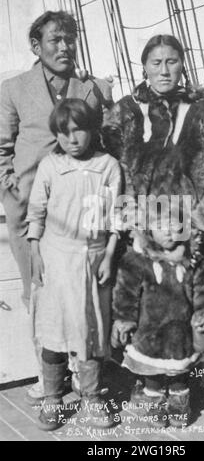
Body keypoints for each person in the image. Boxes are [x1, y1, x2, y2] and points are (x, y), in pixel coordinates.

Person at [103, 34, 204, 425]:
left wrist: (203, 224)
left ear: (182, 64)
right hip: (140, 233)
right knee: (144, 310)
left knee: (192, 308)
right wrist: (124, 223)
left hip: (191, 232)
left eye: (172, 62)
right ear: (143, 66)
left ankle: (185, 384)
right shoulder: (123, 112)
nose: (164, 70)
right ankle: (147, 383)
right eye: (156, 62)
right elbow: (108, 170)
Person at [0, 10, 113, 403]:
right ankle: (51, 380)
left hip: (81, 215)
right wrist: (11, 190)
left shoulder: (92, 88)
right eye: (55, 40)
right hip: (31, 213)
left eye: (70, 39)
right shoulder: (13, 89)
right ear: (36, 46)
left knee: (82, 293)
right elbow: (1, 148)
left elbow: (110, 145)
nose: (65, 47)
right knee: (39, 293)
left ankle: (86, 378)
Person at [26, 98, 122, 431]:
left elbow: (117, 218)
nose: (72, 139)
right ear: (57, 135)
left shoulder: (108, 166)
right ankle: (52, 398)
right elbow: (35, 214)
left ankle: (92, 399)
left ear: (93, 129)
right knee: (54, 333)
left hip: (94, 261)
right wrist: (35, 253)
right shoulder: (50, 166)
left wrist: (109, 255)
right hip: (55, 259)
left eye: (79, 130)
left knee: (90, 334)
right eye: (64, 133)